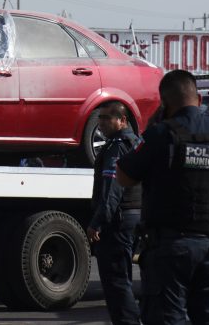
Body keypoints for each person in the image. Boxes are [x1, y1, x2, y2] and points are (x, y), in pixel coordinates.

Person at [116, 69, 209, 325]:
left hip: (171, 249)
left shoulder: (161, 134)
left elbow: (123, 176)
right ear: (199, 99)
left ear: (164, 103)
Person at [86, 101, 141, 325]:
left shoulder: (117, 146)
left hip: (119, 221)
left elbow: (112, 191)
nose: (102, 123)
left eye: (107, 118)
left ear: (122, 121)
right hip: (132, 217)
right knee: (123, 278)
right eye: (100, 118)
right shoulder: (135, 143)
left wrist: (97, 223)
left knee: (116, 281)